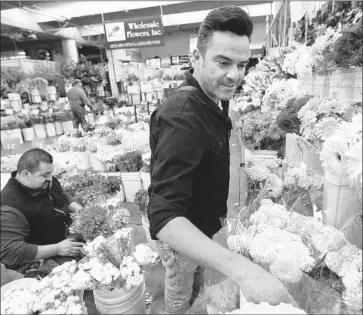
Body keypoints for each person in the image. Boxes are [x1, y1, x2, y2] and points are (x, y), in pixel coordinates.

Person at [147, 6, 297, 314]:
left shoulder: (213, 97)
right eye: (223, 62)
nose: (234, 75)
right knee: (180, 296)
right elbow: (162, 217)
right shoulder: (183, 116)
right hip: (182, 238)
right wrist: (243, 269)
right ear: (196, 59)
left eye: (242, 65)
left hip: (202, 227)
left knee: (197, 285)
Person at [0, 148, 85, 273]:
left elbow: (61, 193)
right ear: (25, 174)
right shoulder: (9, 207)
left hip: (67, 240)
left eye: (51, 173)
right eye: (45, 175)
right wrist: (57, 249)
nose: (50, 179)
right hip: (43, 259)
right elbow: (10, 252)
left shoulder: (44, 180)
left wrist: (79, 211)